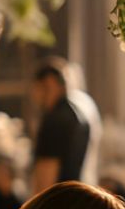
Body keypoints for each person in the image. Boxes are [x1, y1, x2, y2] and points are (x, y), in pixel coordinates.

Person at [30, 59, 91, 195]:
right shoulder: (78, 114)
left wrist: (38, 203)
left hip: (56, 198)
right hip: (75, 193)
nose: (35, 95)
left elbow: (47, 170)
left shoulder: (54, 120)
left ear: (48, 84)